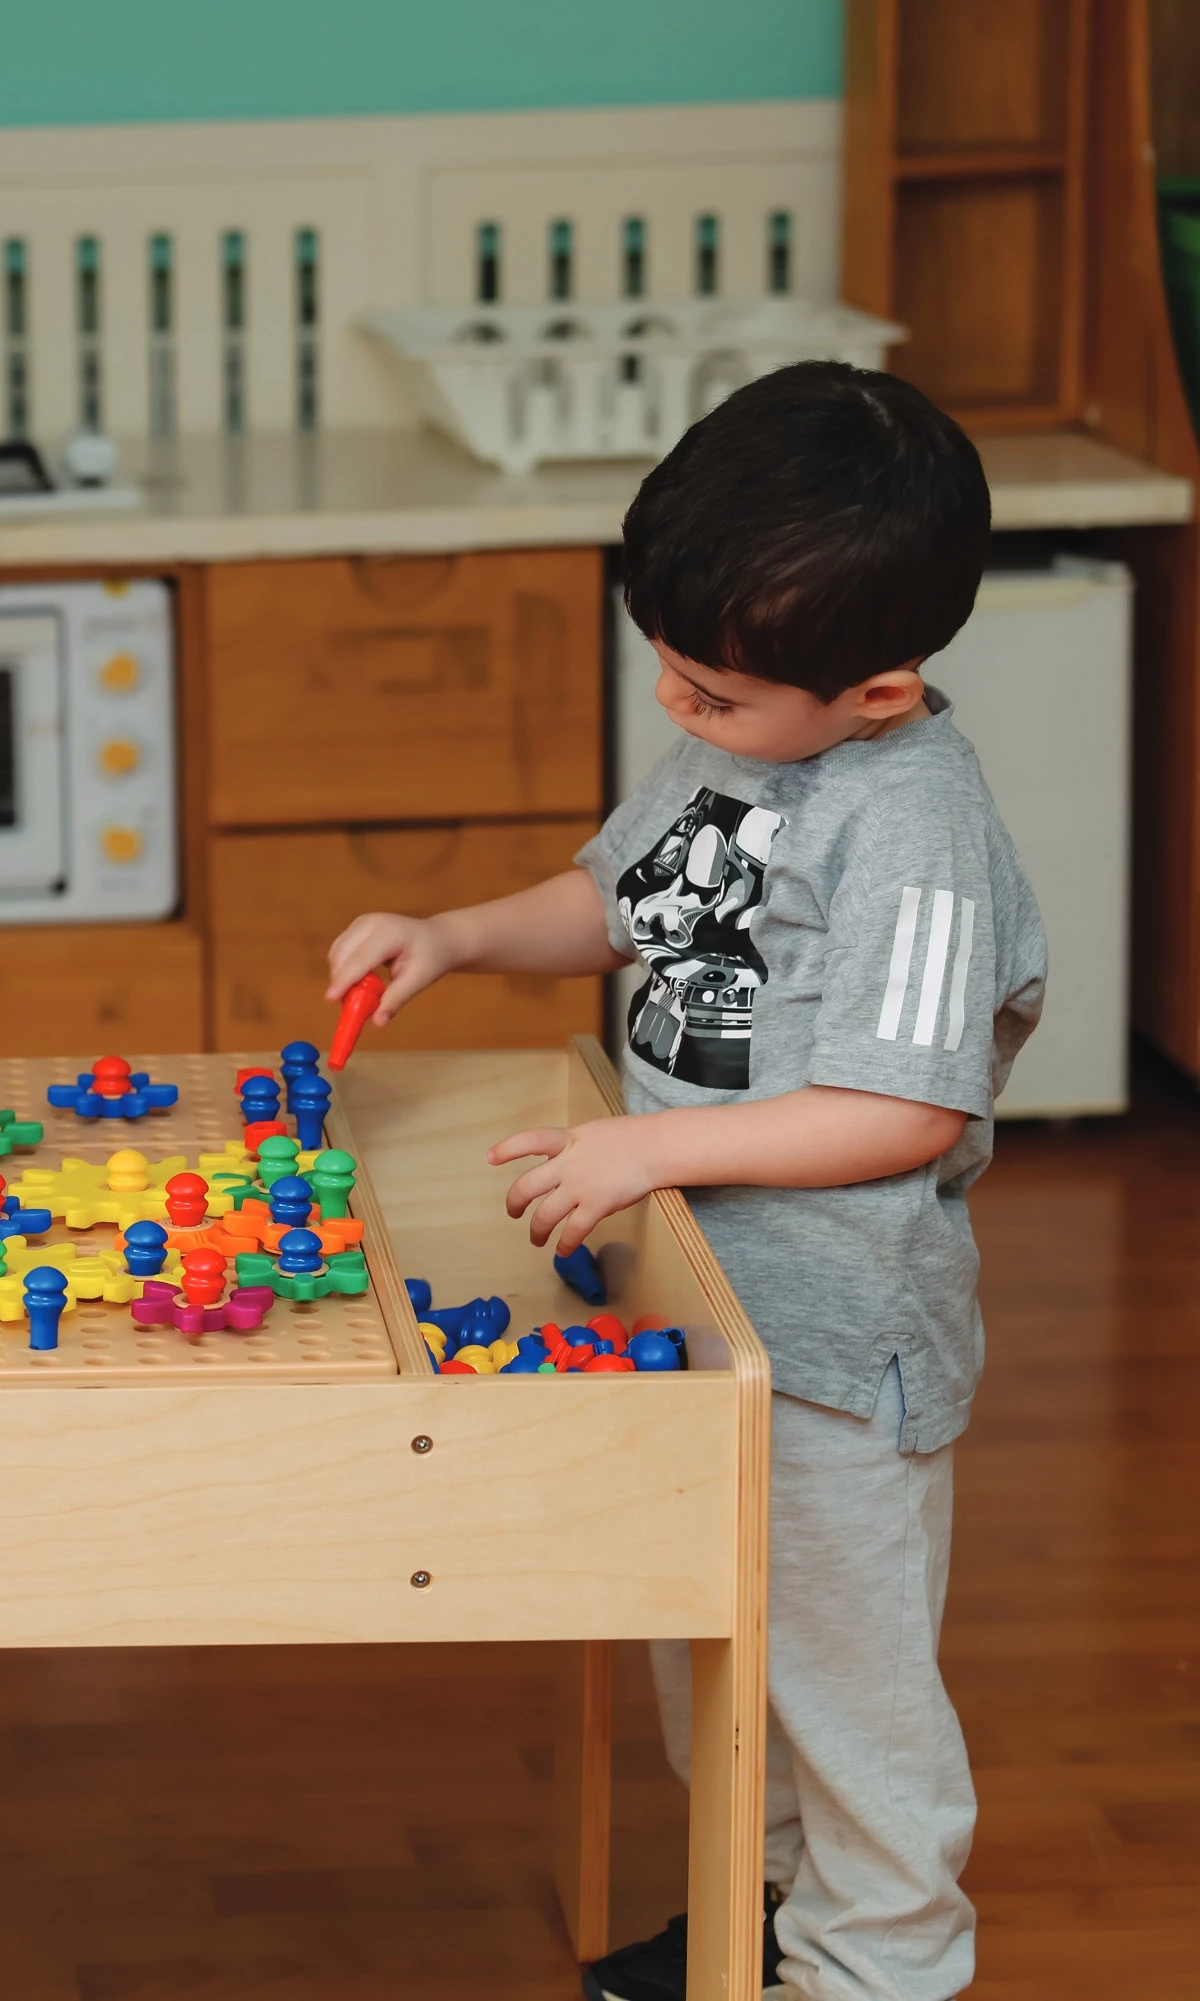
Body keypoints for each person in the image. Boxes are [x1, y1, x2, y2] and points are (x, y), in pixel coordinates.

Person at [327, 360, 1044, 2001]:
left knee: (844, 1689)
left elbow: (900, 1108)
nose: (676, 708)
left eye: (710, 693)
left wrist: (649, 1146)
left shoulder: (915, 826)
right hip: (704, 1310)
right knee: (715, 1660)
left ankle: (881, 1963)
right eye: (664, 662)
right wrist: (456, 935)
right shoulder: (743, 743)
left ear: (877, 690)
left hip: (834, 1349)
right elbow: (620, 902)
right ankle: (768, 1921)